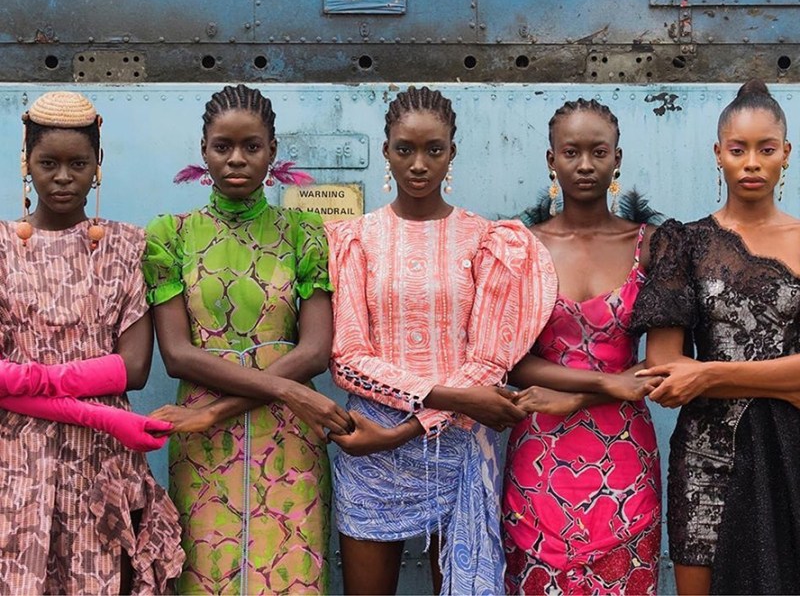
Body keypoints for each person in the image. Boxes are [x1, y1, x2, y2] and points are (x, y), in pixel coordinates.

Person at [326, 86, 557, 595]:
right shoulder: (354, 238)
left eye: (434, 149)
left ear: (452, 152)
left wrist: (411, 427)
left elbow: (489, 358)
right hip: (370, 442)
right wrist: (442, 400)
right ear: (386, 150)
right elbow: (347, 358)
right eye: (405, 149)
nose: (418, 164)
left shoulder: (487, 240)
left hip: (459, 443)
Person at [143, 84, 350, 595]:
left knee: (291, 575)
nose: (236, 159)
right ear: (204, 151)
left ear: (272, 152)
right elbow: (177, 355)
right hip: (205, 441)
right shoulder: (170, 234)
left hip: (286, 439)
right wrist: (286, 389)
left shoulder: (303, 232)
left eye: (251, 147)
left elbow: (315, 350)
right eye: (222, 146)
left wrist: (218, 410)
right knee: (206, 573)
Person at [0, 91, 184, 594]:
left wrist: (31, 379)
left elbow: (135, 368)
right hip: (16, 459)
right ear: (26, 163)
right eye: (48, 163)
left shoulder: (127, 245)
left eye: (78, 163)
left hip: (101, 459)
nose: (63, 177)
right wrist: (88, 404)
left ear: (97, 165)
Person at [633, 79, 800, 594]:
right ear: (718, 155)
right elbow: (664, 372)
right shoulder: (682, 242)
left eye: (765, 149)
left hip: (792, 452)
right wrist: (785, 382)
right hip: (708, 459)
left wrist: (706, 372)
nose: (752, 162)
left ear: (785, 155)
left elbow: (690, 374)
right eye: (738, 149)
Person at [502, 98, 664, 595]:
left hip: (625, 459)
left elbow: (662, 368)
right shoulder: (521, 246)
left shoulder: (653, 245)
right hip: (539, 455)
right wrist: (602, 381)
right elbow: (511, 360)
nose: (586, 165)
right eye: (571, 152)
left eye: (599, 152)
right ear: (551, 160)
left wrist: (578, 396)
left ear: (618, 158)